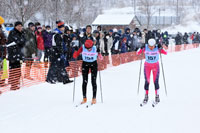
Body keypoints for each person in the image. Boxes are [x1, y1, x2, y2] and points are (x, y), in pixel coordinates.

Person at [137, 39, 167, 104]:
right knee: (147, 81)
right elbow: (138, 52)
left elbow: (166, 52)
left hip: (155, 66)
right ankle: (146, 96)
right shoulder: (145, 47)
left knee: (155, 81)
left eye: (152, 46)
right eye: (150, 46)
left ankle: (157, 96)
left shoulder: (157, 48)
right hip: (147, 66)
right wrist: (140, 47)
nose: (151, 48)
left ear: (155, 45)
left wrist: (161, 47)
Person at [73, 40, 103, 105]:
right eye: (87, 48)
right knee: (84, 81)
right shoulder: (83, 47)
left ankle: (94, 98)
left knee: (93, 81)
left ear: (92, 46)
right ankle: (84, 98)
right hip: (85, 64)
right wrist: (75, 51)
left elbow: (101, 58)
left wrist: (99, 53)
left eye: (90, 48)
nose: (89, 49)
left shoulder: (95, 48)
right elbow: (75, 56)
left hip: (93, 65)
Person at [7, 21, 26, 90]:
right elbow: (18, 41)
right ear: (15, 26)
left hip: (19, 54)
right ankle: (13, 85)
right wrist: (21, 41)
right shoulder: (12, 32)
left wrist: (21, 42)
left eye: (21, 26)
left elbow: (24, 42)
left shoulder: (22, 33)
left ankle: (16, 83)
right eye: (18, 26)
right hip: (13, 55)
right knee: (13, 70)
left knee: (18, 70)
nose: (20, 27)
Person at [0, 16, 7, 89]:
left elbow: (4, 39)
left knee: (2, 69)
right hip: (1, 52)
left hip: (2, 53)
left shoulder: (2, 30)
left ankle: (2, 82)